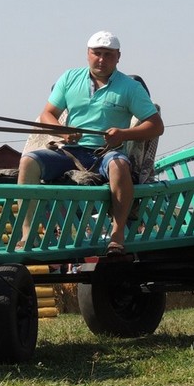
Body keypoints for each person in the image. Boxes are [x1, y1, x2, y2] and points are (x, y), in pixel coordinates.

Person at [18, 31, 164, 255]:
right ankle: (27, 234)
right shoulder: (69, 78)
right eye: (97, 53)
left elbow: (156, 125)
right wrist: (63, 132)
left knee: (120, 166)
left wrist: (123, 134)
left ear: (118, 56)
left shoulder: (130, 87)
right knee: (28, 161)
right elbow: (47, 114)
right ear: (87, 54)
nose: (102, 59)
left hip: (106, 153)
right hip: (70, 152)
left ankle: (117, 235)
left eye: (108, 54)